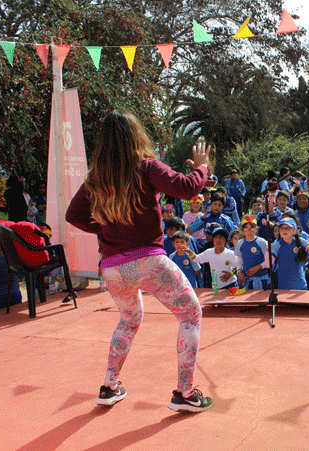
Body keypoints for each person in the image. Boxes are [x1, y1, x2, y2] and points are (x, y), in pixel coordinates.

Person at [65, 110, 212, 412]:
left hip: (113, 269)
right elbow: (187, 188)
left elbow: (73, 215)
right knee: (190, 315)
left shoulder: (96, 179)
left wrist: (104, 228)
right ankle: (185, 393)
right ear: (135, 136)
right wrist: (202, 168)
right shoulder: (146, 167)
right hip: (148, 261)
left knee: (129, 320)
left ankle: (109, 387)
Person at [271, 218, 309, 290]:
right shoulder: (276, 245)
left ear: (294, 230)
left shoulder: (300, 241)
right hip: (283, 286)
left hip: (300, 286)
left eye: (288, 228)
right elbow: (268, 264)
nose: (284, 230)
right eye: (282, 228)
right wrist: (268, 252)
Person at [235, 216, 271, 290]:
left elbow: (269, 260)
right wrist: (239, 272)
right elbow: (239, 261)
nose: (249, 231)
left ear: (256, 229)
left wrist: (259, 267)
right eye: (246, 228)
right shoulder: (240, 243)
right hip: (248, 280)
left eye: (252, 228)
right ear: (242, 229)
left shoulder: (262, 242)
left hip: (262, 279)